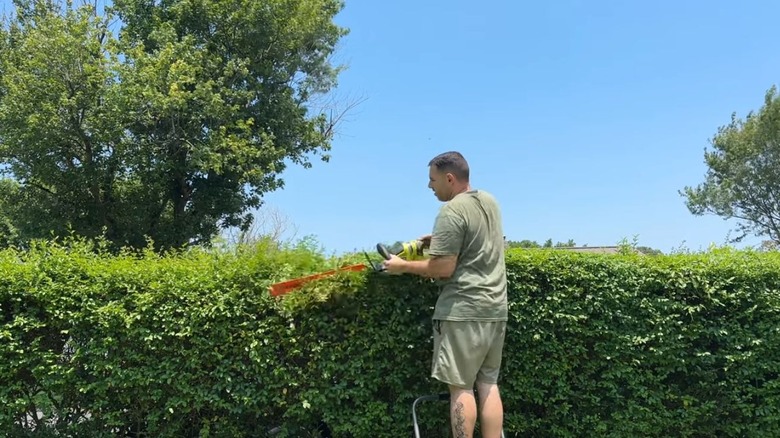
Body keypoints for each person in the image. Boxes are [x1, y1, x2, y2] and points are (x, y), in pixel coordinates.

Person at [383, 151, 507, 438]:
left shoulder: (451, 210)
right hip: (495, 308)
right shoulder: (490, 201)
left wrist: (401, 266)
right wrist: (437, 239)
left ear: (450, 178)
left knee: (461, 387)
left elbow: (443, 267)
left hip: (463, 311)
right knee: (489, 384)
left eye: (433, 180)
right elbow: (478, 243)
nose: (430, 186)